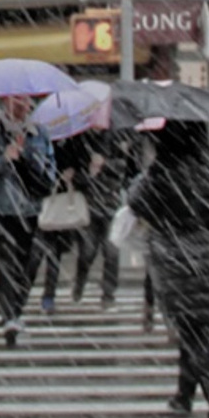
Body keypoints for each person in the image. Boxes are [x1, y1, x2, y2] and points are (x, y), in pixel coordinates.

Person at [128, 119, 209, 418]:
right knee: (195, 327)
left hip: (178, 260)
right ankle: (183, 396)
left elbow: (137, 203)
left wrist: (152, 175)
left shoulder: (163, 172)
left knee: (196, 335)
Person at [0, 96, 56, 347]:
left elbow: (49, 169)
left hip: (31, 209)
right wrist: (4, 159)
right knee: (7, 263)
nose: (22, 105)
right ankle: (9, 316)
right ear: (6, 102)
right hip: (1, 210)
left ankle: (17, 308)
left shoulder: (39, 133)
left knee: (29, 263)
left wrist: (32, 163)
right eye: (16, 99)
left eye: (26, 99)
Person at [71, 129, 127, 306]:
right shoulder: (81, 140)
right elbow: (74, 175)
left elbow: (125, 166)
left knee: (111, 251)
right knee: (87, 251)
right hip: (89, 206)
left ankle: (108, 293)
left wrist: (105, 164)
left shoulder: (117, 135)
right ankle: (79, 284)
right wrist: (88, 174)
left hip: (111, 204)